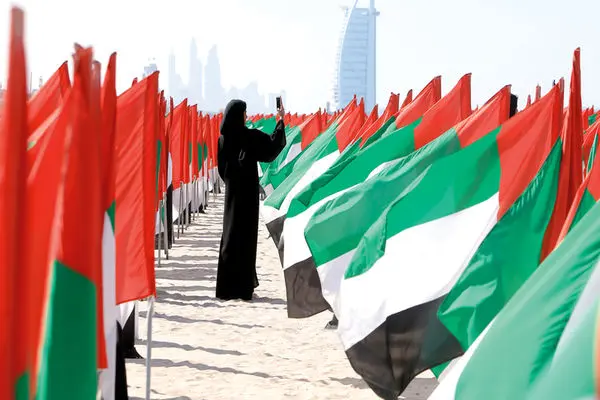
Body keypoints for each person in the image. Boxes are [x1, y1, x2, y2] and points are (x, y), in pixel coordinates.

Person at [216, 99, 287, 300]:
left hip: (232, 195)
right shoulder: (249, 136)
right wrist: (280, 120)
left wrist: (233, 180)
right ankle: (243, 287)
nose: (246, 116)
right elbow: (271, 148)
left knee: (230, 236)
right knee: (246, 239)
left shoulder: (222, 140)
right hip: (247, 195)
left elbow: (222, 169)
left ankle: (227, 287)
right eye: (244, 113)